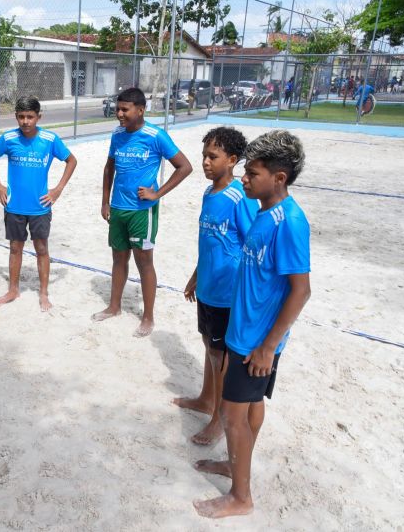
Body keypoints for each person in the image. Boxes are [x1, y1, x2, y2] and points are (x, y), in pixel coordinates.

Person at [193, 130, 311, 518]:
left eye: (253, 173)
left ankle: (240, 497)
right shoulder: (263, 212)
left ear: (278, 178)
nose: (245, 178)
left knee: (232, 415)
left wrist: (266, 346)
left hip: (257, 341)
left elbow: (300, 291)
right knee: (249, 408)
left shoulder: (290, 222)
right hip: (242, 331)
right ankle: (235, 463)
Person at [174, 127, 259, 446]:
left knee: (222, 359)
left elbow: (252, 246)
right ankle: (205, 400)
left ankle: (218, 421)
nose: (206, 163)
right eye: (204, 156)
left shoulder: (240, 197)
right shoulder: (208, 194)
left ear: (233, 160)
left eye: (214, 157)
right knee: (209, 348)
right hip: (207, 287)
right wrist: (195, 276)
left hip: (227, 294)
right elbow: (209, 242)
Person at [91, 87, 193, 336]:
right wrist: (105, 202)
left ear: (140, 110)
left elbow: (184, 167)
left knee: (144, 262)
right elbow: (109, 169)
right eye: (118, 109)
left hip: (141, 211)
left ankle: (148, 317)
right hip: (118, 208)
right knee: (118, 258)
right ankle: (114, 307)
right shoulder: (117, 135)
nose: (119, 114)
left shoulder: (155, 135)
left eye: (125, 109)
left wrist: (157, 193)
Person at [0, 95, 77, 311]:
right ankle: (13, 289)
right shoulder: (8, 139)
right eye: (21, 117)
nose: (25, 121)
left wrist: (57, 190)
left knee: (42, 248)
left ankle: (44, 293)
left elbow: (71, 160)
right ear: (16, 117)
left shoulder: (50, 139)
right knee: (15, 247)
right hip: (14, 205)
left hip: (40, 206)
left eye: (30, 117)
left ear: (39, 117)